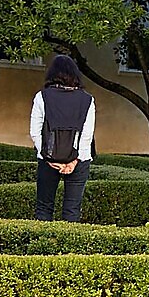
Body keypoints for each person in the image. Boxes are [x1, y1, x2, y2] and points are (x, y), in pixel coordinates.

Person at [31, 54, 95, 222]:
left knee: (44, 208)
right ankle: (69, 247)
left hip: (48, 159)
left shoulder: (42, 96)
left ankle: (41, 246)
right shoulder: (87, 100)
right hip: (80, 160)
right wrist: (75, 161)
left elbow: (35, 132)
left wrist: (48, 157)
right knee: (72, 210)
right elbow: (86, 135)